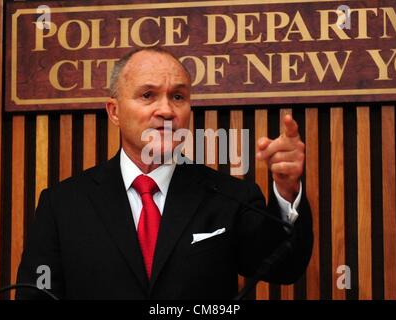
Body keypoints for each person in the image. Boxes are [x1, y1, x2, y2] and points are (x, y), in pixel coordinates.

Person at [16, 47, 312, 299]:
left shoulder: (232, 197)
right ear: (114, 111)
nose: (167, 110)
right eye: (148, 95)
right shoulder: (62, 204)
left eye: (178, 97)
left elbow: (285, 268)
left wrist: (287, 190)